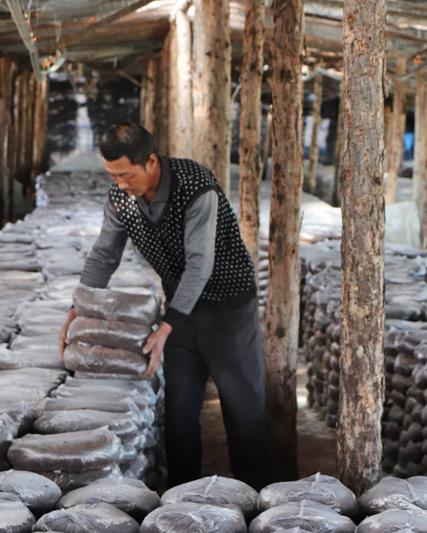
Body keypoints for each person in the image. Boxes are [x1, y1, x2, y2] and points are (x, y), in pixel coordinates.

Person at [58, 123, 270, 490]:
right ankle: (182, 501)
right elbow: (104, 255)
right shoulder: (121, 198)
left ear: (151, 161)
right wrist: (78, 309)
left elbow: (199, 263)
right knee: (180, 411)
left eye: (126, 174)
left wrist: (167, 327)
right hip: (180, 310)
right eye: (113, 175)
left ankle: (256, 497)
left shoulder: (195, 186)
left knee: (242, 405)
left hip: (228, 308)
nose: (121, 183)